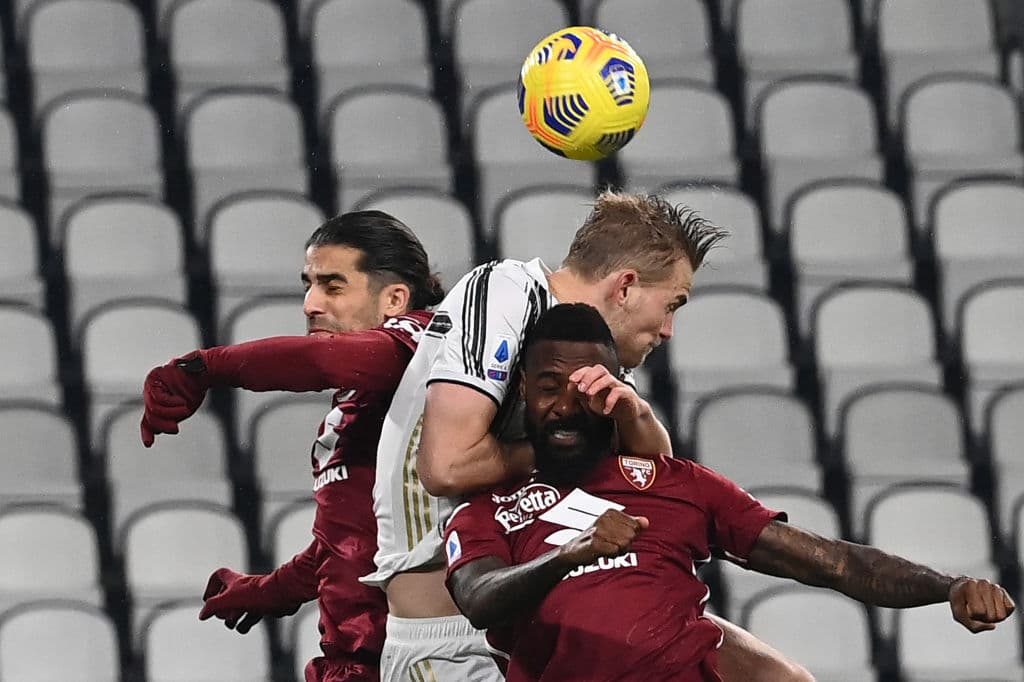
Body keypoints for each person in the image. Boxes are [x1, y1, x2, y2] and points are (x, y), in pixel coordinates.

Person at [366, 190, 815, 680]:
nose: (668, 330)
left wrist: (632, 414)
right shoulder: (507, 293)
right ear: (624, 287)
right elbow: (446, 466)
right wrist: (564, 449)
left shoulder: (595, 357)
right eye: (671, 305)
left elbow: (649, 480)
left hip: (548, 628)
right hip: (455, 641)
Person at [443, 302, 1016, 681]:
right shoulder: (484, 509)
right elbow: (479, 597)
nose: (565, 406)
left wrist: (949, 586)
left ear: (615, 390)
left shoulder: (677, 484)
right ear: (522, 390)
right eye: (548, 388)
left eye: (584, 388)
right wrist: (570, 554)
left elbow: (831, 563)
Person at [139, 211, 444, 682]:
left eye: (332, 286)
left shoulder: (425, 347)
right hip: (352, 660)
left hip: (420, 657)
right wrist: (271, 589)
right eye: (308, 285)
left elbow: (322, 362)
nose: (310, 303)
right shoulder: (356, 406)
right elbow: (348, 542)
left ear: (395, 299)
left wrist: (203, 367)